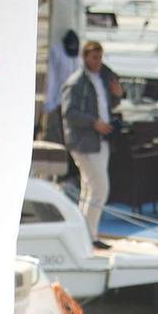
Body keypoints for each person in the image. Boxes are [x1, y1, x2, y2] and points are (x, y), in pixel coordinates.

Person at [61, 40, 123, 241]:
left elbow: (106, 105)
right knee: (99, 188)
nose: (98, 62)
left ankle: (84, 234)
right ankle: (89, 236)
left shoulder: (101, 79)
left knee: (89, 188)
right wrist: (93, 123)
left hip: (100, 140)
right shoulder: (77, 82)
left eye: (100, 57)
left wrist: (117, 95)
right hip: (84, 142)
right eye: (94, 57)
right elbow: (69, 112)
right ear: (85, 57)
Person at [40, 28, 80, 144]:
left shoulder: (78, 57)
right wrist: (49, 103)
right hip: (57, 103)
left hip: (72, 105)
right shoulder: (56, 51)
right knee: (54, 138)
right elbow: (51, 79)